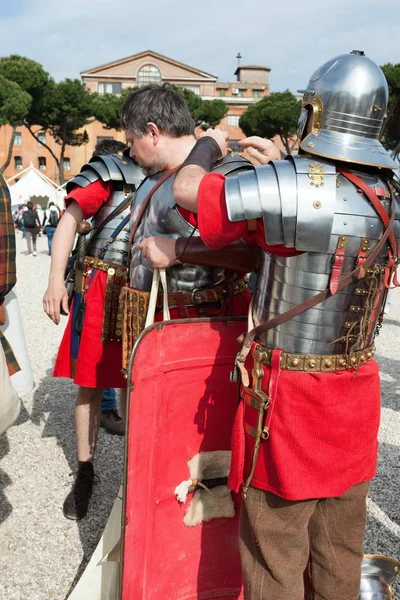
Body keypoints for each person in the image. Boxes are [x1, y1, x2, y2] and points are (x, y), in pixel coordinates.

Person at [140, 52, 400, 599]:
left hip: (292, 396)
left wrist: (209, 144)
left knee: (274, 550)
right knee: (339, 550)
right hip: (355, 387)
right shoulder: (391, 193)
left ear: (315, 112)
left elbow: (188, 190)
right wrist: (283, 165)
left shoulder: (297, 185)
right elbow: (287, 243)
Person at [43, 139, 143, 520]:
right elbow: (69, 220)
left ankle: (140, 472)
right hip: (100, 286)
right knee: (90, 384)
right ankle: (85, 471)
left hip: (147, 289)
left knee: (141, 383)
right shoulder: (109, 172)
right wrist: (55, 281)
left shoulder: (173, 172)